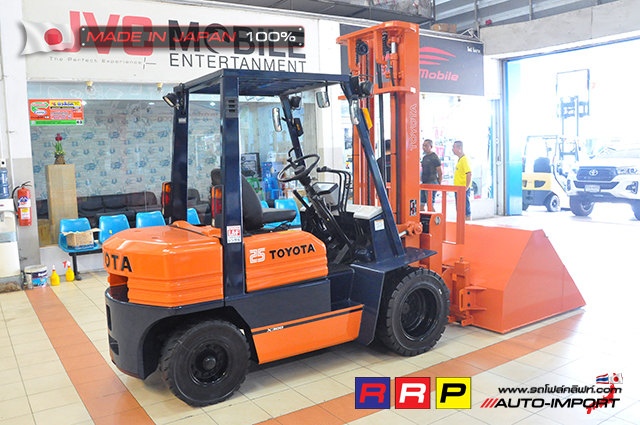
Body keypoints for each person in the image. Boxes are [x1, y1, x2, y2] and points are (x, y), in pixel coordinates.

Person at [452, 140, 472, 220]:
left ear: (459, 148)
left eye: (454, 147)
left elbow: (469, 173)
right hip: (458, 189)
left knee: (465, 210)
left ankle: (467, 224)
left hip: (463, 189)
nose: (452, 149)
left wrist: (466, 187)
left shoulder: (464, 159)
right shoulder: (460, 160)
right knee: (460, 210)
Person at [420, 139, 443, 206]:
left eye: (426, 146)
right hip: (424, 182)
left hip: (432, 182)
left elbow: (440, 172)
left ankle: (434, 214)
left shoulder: (434, 157)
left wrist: (439, 183)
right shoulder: (425, 157)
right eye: (423, 146)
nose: (424, 148)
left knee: (430, 204)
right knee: (421, 204)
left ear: (431, 147)